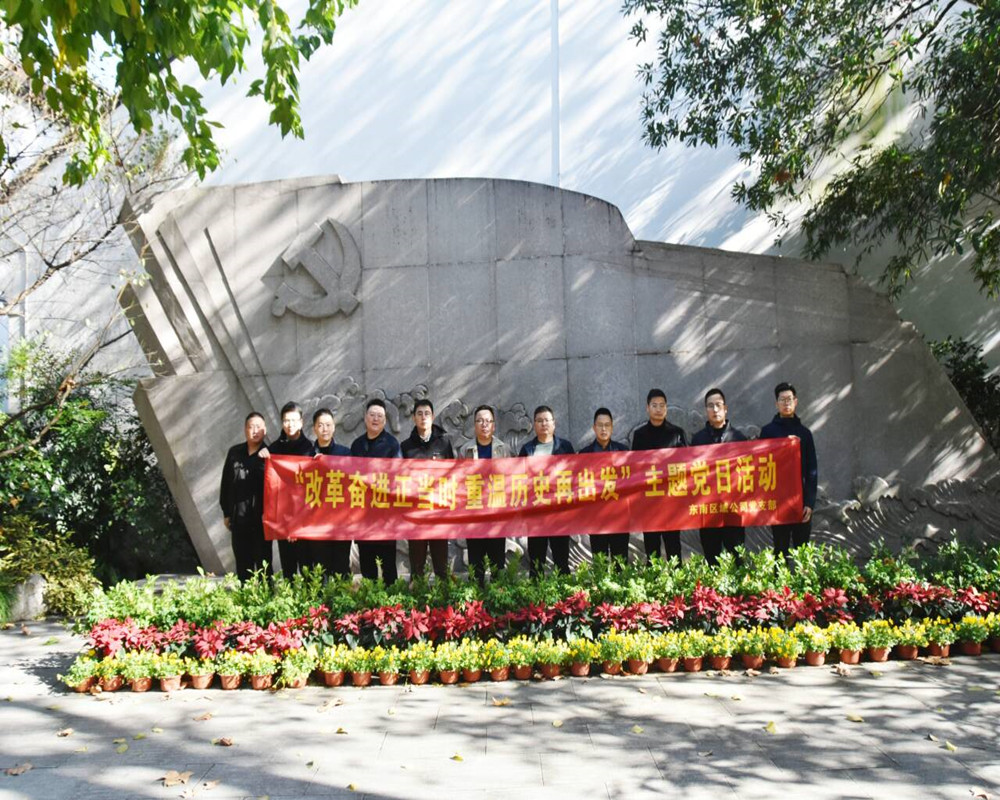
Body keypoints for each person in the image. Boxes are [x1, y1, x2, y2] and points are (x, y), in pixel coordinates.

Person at [759, 382, 818, 556]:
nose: (786, 403)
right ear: (776, 404)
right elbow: (762, 465)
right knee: (780, 550)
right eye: (782, 400)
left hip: (801, 502)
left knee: (802, 552)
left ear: (796, 401)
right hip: (778, 503)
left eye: (789, 399)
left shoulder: (805, 433)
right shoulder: (768, 432)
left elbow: (812, 470)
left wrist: (809, 503)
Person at [690, 388, 748, 565]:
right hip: (708, 511)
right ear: (705, 410)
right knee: (712, 560)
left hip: (733, 511)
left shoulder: (739, 439)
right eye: (710, 406)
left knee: (737, 560)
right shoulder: (698, 440)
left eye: (718, 405)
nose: (715, 410)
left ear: (725, 408)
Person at [631, 388, 688, 564]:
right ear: (647, 408)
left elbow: (686, 466)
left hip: (672, 502)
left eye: (662, 405)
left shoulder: (677, 433)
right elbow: (635, 469)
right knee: (652, 551)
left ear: (666, 408)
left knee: (674, 549)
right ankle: (653, 580)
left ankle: (676, 581)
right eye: (654, 405)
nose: (658, 409)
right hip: (650, 503)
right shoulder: (639, 436)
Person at [400, 398, 455, 580]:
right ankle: (417, 594)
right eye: (419, 414)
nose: (423, 417)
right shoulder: (406, 447)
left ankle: (443, 595)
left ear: (433, 417)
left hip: (439, 513)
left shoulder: (444, 444)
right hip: (416, 514)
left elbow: (452, 475)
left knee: (441, 565)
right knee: (417, 565)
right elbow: (400, 478)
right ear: (414, 418)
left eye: (427, 414)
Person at [518, 405, 575, 577]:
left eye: (547, 420)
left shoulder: (565, 447)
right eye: (540, 421)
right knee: (536, 561)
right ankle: (536, 592)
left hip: (559, 513)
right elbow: (519, 479)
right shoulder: (527, 450)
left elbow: (574, 475)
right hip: (536, 513)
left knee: (561, 560)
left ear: (554, 423)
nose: (544, 424)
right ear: (534, 424)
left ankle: (564, 592)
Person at [456, 404, 511, 583]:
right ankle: (476, 598)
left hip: (497, 515)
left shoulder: (503, 450)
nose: (484, 424)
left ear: (494, 425)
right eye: (480, 421)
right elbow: (459, 481)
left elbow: (512, 479)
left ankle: (498, 597)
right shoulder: (465, 450)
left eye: (488, 421)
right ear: (474, 425)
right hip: (475, 516)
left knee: (497, 565)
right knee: (476, 564)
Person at [350, 398, 403, 583]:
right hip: (363, 516)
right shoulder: (357, 445)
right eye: (372, 415)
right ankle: (370, 601)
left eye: (379, 416)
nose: (375, 419)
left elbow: (397, 476)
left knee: (389, 568)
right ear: (365, 418)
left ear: (385, 420)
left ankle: (392, 600)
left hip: (385, 516)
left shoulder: (392, 444)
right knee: (367, 568)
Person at [263, 401, 314, 578]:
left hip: (305, 519)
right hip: (282, 518)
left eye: (294, 420)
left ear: (301, 422)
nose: (290, 424)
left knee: (308, 571)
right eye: (286, 420)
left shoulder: (311, 449)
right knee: (288, 570)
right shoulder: (273, 450)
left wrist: (298, 523)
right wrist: (262, 458)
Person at [220, 412, 271, 579]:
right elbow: (226, 484)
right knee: (243, 566)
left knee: (264, 567)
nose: (255, 431)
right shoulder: (234, 453)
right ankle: (245, 594)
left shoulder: (270, 455)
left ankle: (266, 594)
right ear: (245, 429)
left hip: (260, 521)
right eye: (251, 427)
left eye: (258, 427)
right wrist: (227, 513)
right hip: (239, 519)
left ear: (265, 430)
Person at [303, 407, 352, 578]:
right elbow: (299, 488)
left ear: (334, 427)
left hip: (341, 521)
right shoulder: (307, 455)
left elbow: (352, 483)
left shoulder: (345, 453)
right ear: (314, 429)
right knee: (320, 568)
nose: (325, 429)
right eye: (321, 425)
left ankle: (342, 595)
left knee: (341, 569)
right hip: (316, 522)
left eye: (328, 425)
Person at [579, 407, 630, 563]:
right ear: (594, 428)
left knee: (620, 564)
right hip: (596, 518)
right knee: (599, 564)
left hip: (619, 518)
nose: (603, 429)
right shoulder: (584, 455)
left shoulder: (623, 452)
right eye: (600, 425)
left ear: (612, 427)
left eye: (607, 425)